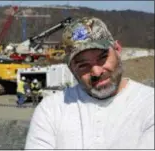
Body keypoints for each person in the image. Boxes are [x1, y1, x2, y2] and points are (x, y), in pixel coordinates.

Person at [25, 17, 154, 149]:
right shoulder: (51, 109)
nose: (96, 72)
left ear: (117, 49)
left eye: (103, 58)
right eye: (83, 65)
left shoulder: (149, 104)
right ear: (71, 69)